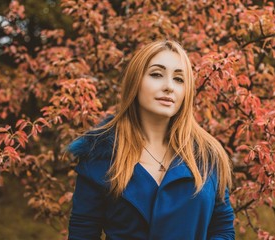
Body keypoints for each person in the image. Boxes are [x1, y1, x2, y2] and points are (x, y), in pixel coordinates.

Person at [67, 40, 235, 240]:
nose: (169, 87)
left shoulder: (206, 154)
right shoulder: (99, 153)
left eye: (179, 79)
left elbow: (223, 230)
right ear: (135, 81)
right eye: (156, 74)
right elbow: (83, 234)